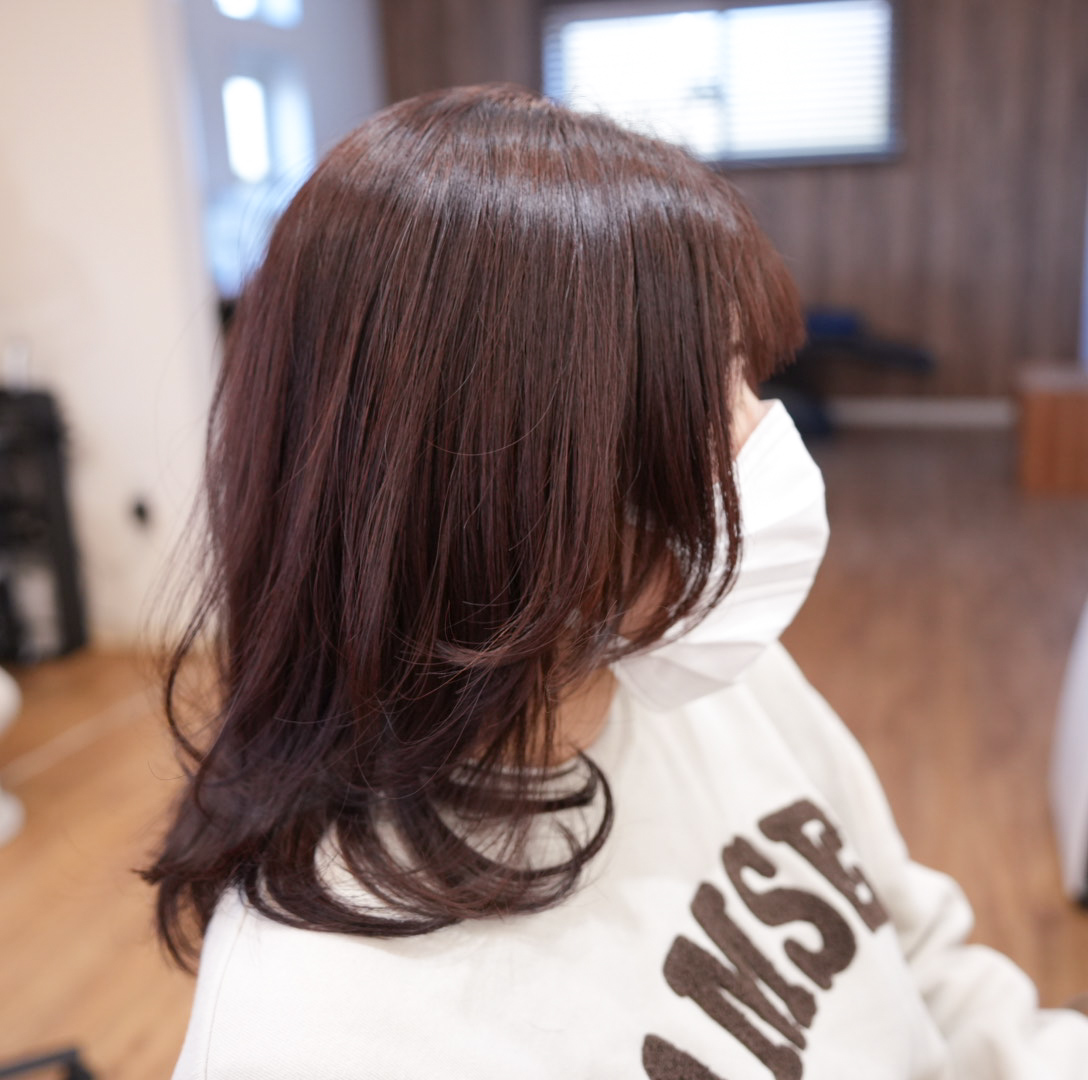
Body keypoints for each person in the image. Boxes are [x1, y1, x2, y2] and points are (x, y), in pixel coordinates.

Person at [147, 85, 1088, 1079]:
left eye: (749, 375)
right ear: (507, 482)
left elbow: (924, 961)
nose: (763, 435)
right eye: (711, 393)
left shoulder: (701, 667)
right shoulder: (317, 1038)